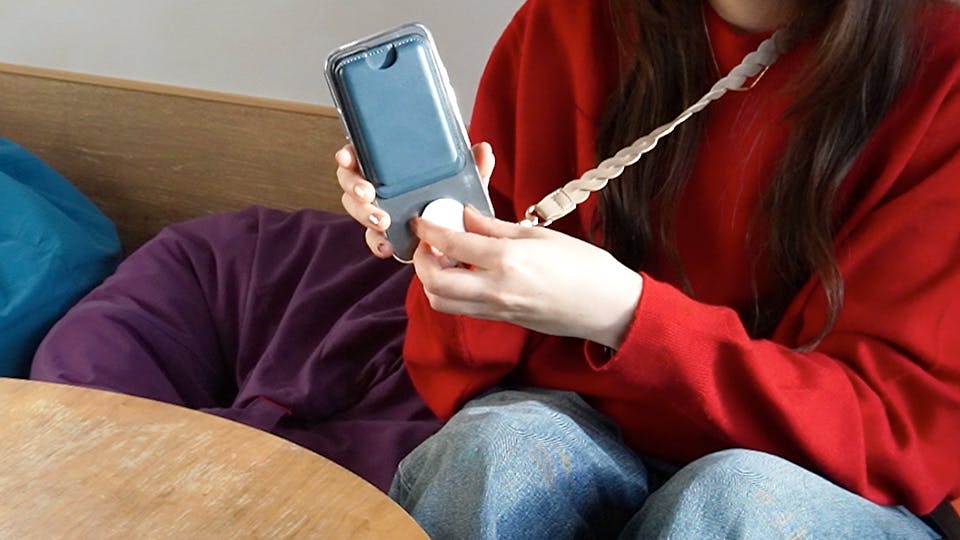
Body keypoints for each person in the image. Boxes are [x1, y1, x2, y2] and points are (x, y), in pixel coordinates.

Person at [337, 0, 960, 537]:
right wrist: (447, 252)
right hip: (587, 424)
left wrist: (626, 315)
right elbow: (467, 371)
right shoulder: (569, 21)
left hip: (826, 483)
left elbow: (896, 439)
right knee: (495, 455)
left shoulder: (942, 68)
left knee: (733, 505)